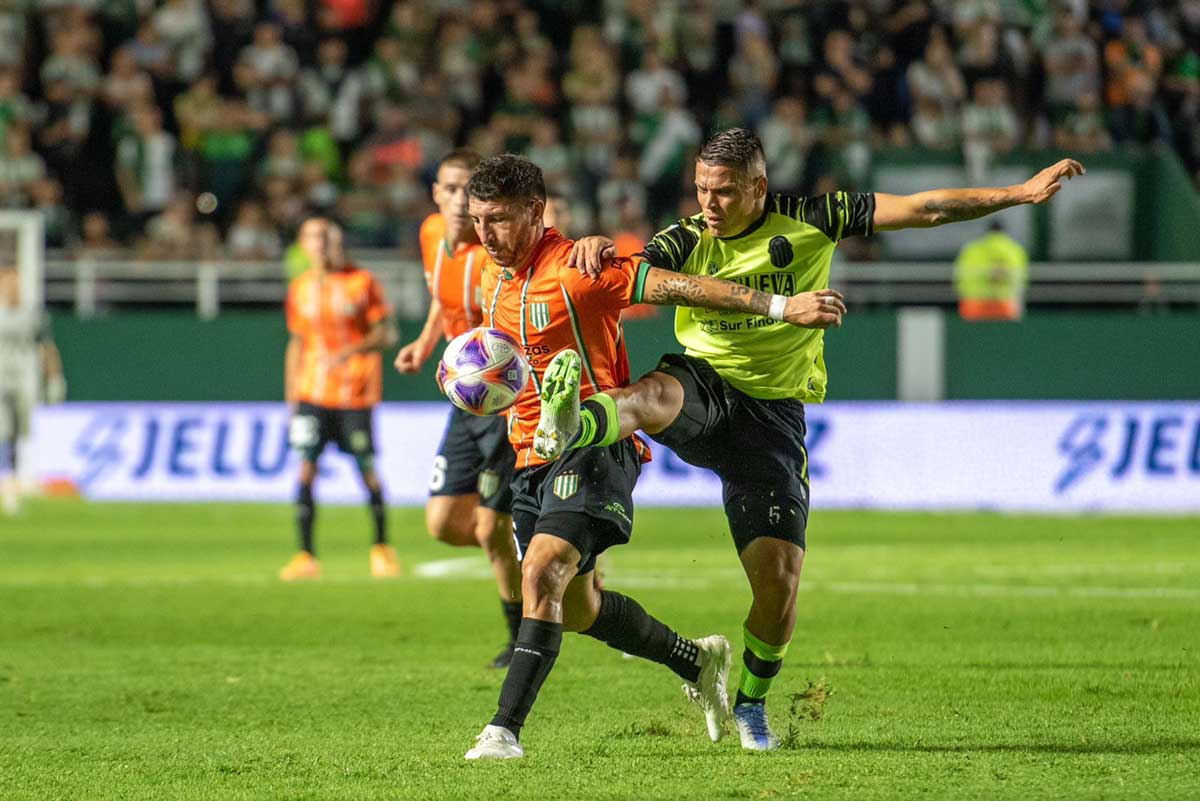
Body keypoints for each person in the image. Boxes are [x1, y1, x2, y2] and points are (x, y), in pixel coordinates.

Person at [537, 128, 1084, 750]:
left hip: (770, 421)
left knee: (779, 585)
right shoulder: (687, 238)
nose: (708, 204)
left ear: (758, 188)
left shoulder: (814, 219)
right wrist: (596, 247)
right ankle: (571, 424)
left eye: (722, 192)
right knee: (653, 394)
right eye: (700, 191)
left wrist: (1018, 192)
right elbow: (634, 273)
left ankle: (749, 702)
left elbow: (926, 208)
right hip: (705, 386)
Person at [460, 154, 846, 760]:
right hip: (532, 456)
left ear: (537, 213)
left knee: (540, 575)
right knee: (581, 609)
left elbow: (682, 286)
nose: (486, 234)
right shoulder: (499, 280)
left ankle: (503, 730)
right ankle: (695, 661)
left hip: (596, 445)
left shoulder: (576, 269)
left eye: (500, 220)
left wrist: (779, 306)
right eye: (478, 220)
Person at [393, 148, 524, 669]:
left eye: (466, 191)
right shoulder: (431, 236)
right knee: (446, 523)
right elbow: (439, 301)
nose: (456, 200)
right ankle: (539, 553)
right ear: (436, 193)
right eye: (448, 189)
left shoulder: (497, 257)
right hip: (463, 401)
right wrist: (426, 344)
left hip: (502, 406)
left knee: (492, 529)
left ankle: (519, 638)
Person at [280, 218, 399, 580]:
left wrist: (353, 350)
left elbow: (387, 334)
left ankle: (381, 548)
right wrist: (291, 398)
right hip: (312, 393)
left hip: (354, 394)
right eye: (315, 237)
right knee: (306, 468)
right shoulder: (300, 288)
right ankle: (305, 556)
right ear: (304, 244)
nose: (323, 244)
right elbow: (297, 342)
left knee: (367, 471)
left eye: (328, 237)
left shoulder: (361, 283)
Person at [0, 267, 65, 515]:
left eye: (15, 283)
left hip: (26, 377)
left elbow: (46, 345)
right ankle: (7, 482)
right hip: (0, 377)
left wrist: (55, 376)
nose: (12, 287)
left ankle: (26, 478)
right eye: (7, 283)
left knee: (26, 428)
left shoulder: (32, 314)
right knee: (3, 430)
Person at [953, 220, 1029, 321]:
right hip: (1006, 304)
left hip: (974, 304)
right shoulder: (1015, 250)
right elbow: (1022, 279)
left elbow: (960, 276)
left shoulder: (972, 249)